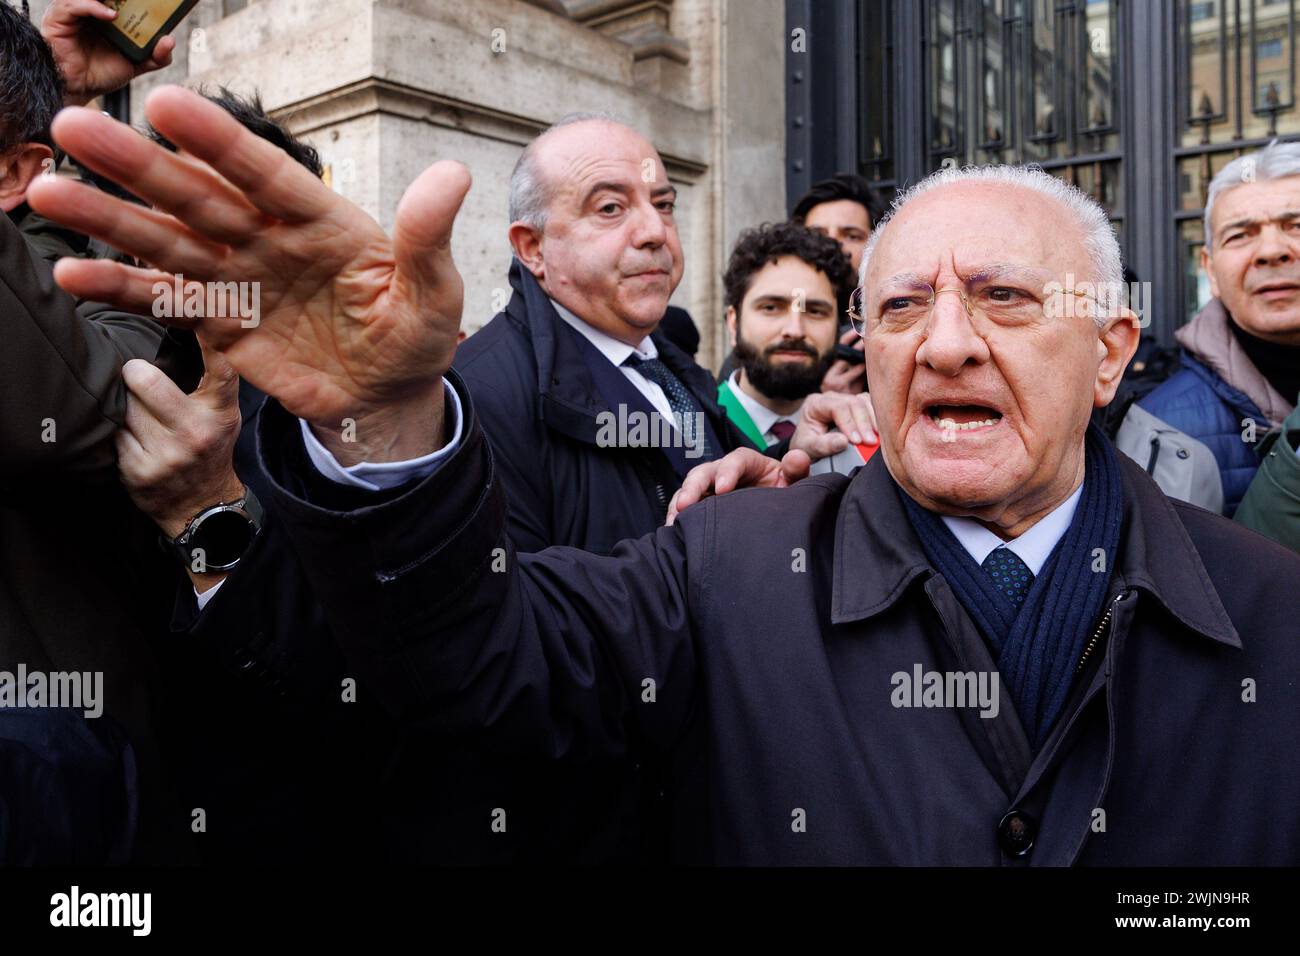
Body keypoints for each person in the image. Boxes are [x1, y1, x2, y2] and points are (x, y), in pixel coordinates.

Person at [37, 91, 1300, 864]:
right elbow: (476, 658)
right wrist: (385, 420)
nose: (948, 339)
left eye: (1006, 299)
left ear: (1111, 348)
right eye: (904, 302)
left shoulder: (1273, 611)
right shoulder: (727, 560)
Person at [1133, 141, 1300, 515]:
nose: (1271, 251)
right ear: (1210, 268)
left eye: (1296, 226)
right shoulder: (1160, 431)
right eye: (1240, 235)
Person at [717, 220, 873, 473]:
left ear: (838, 327)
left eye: (815, 311)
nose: (795, 330)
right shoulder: (693, 430)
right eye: (771, 308)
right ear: (734, 323)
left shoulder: (861, 438)